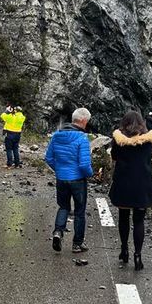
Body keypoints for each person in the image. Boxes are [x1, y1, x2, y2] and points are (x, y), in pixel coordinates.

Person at [108, 111, 152, 270]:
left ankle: (124, 250)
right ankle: (138, 256)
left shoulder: (118, 139)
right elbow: (149, 156)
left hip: (124, 182)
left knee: (123, 217)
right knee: (139, 220)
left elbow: (114, 156)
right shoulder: (149, 139)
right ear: (141, 122)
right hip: (143, 183)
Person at [44, 108, 93, 253]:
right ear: (83, 121)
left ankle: (58, 232)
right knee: (79, 211)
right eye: (87, 122)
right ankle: (77, 244)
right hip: (78, 180)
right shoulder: (82, 138)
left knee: (63, 206)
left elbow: (49, 158)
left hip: (61, 178)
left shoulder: (56, 135)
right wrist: (90, 174)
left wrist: (59, 170)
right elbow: (84, 165)